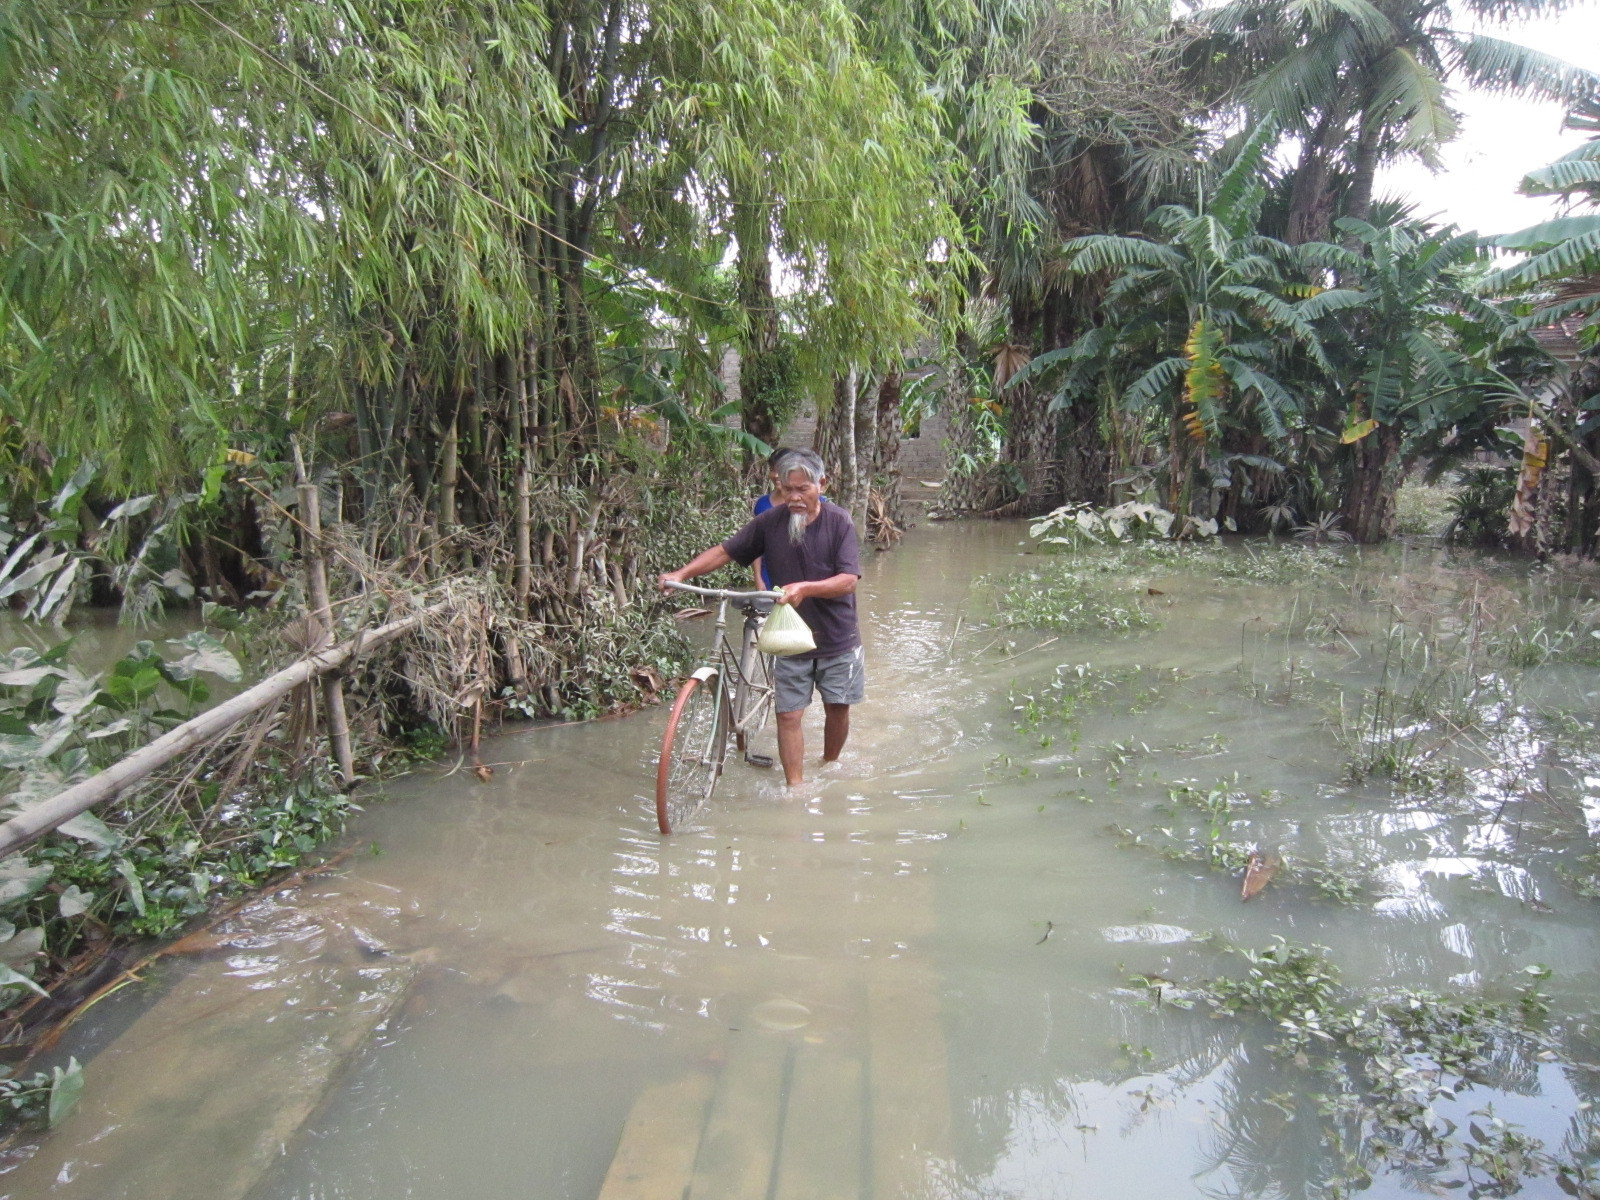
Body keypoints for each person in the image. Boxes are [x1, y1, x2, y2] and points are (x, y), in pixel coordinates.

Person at [660, 448, 863, 786]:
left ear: (821, 484)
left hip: (836, 636)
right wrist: (681, 573)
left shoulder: (838, 521)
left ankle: (830, 763)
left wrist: (805, 588)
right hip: (788, 637)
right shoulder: (770, 522)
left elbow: (848, 580)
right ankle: (795, 789)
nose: (795, 497)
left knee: (837, 708)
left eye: (803, 489)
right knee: (788, 715)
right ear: (779, 488)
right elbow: (726, 551)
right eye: (787, 490)